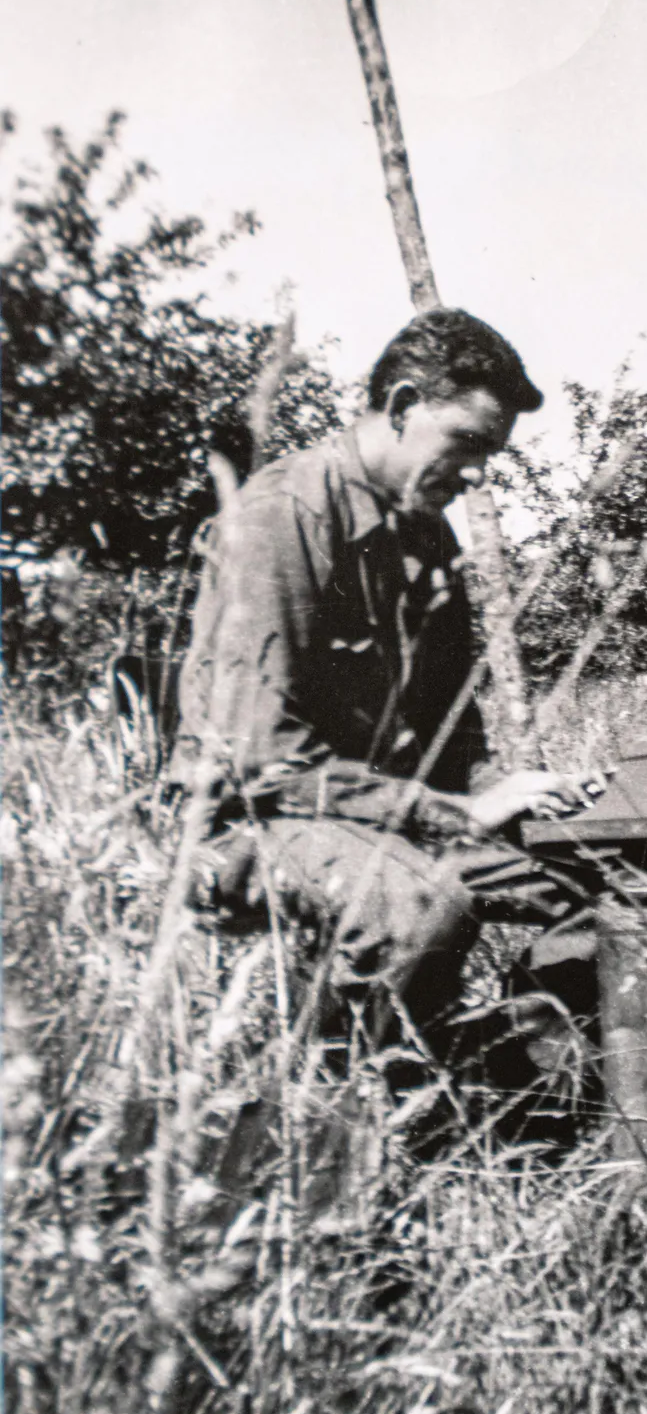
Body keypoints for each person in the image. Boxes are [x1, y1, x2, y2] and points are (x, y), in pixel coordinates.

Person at [175, 308, 594, 1082]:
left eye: (491, 455)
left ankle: (483, 1082)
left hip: (371, 818)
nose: (477, 475)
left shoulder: (428, 538)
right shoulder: (284, 515)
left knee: (586, 896)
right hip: (244, 830)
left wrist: (495, 793)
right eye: (466, 445)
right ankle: (324, 1121)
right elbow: (263, 760)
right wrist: (449, 815)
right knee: (422, 904)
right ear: (402, 406)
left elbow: (449, 726)